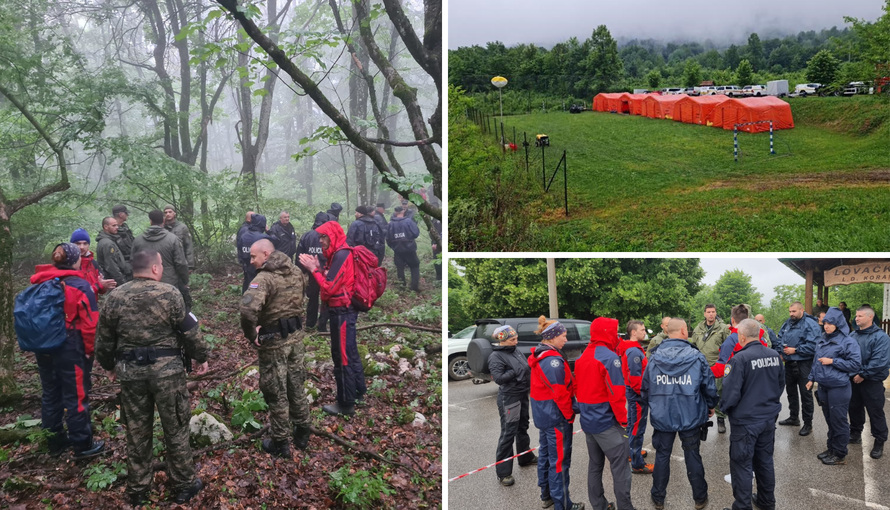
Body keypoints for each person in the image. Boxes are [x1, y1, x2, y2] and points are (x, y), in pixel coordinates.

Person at [95, 250, 209, 505]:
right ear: (156, 268)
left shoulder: (114, 297)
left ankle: (138, 490)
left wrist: (109, 365)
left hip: (131, 374)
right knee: (176, 427)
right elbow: (190, 331)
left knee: (137, 431)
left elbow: (103, 339)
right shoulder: (170, 294)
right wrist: (201, 356)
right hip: (167, 374)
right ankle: (184, 485)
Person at [31, 243, 104, 460]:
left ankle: (55, 441)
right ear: (74, 260)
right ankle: (83, 444)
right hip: (70, 346)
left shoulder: (40, 282)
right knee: (76, 395)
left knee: (51, 393)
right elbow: (90, 324)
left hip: (43, 346)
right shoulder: (79, 286)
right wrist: (90, 351)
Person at [240, 239, 312, 457]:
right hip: (296, 338)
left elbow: (247, 311)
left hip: (274, 342)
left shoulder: (263, 279)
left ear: (265, 253)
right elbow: (302, 291)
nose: (251, 261)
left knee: (276, 391)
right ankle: (302, 430)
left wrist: (251, 334)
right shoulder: (296, 271)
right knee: (296, 383)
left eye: (253, 256)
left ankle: (281, 443)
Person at [642, 318, 717, 510]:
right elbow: (708, 386)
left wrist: (654, 405)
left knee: (662, 455)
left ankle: (658, 498)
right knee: (692, 455)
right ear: (684, 331)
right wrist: (711, 405)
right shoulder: (696, 356)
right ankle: (700, 498)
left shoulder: (654, 357)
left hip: (663, 415)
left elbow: (645, 388)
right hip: (690, 415)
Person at [298, 221, 365, 417]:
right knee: (350, 352)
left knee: (342, 355)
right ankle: (358, 392)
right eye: (319, 238)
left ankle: (346, 404)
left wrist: (314, 270)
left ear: (333, 235)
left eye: (324, 237)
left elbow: (327, 288)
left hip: (342, 313)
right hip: (342, 311)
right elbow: (335, 282)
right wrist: (320, 268)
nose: (321, 241)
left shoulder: (342, 254)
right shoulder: (338, 254)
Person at [719, 319, 784, 510]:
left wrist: (724, 409)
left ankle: (742, 507)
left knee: (742, 465)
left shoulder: (739, 359)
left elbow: (730, 393)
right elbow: (780, 385)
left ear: (741, 337)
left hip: (746, 422)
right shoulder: (774, 355)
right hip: (767, 419)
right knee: (764, 462)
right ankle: (766, 501)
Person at [575, 317, 633, 510]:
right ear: (607, 333)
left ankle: (599, 505)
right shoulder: (609, 358)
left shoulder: (583, 356)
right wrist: (624, 422)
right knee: (621, 469)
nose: (617, 336)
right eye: (615, 332)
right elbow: (616, 394)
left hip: (588, 421)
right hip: (606, 423)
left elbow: (578, 388)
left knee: (595, 466)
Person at [528, 317, 584, 510]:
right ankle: (564, 504)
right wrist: (570, 414)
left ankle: (547, 495)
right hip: (555, 416)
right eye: (563, 335)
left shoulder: (541, 355)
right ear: (551, 338)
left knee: (545, 455)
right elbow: (560, 393)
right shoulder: (553, 360)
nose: (565, 340)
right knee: (559, 461)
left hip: (544, 414)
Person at [807, 307, 862, 465]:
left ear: (838, 323)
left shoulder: (848, 341)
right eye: (825, 323)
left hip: (839, 387)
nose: (827, 326)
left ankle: (840, 454)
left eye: (830, 323)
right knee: (830, 421)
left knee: (839, 421)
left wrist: (833, 361)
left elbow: (855, 364)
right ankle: (831, 448)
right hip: (823, 387)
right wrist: (811, 378)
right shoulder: (822, 339)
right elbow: (815, 362)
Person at [488, 325, 536, 486]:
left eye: (516, 338)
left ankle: (525, 457)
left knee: (523, 426)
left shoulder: (514, 350)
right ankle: (503, 472)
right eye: (512, 339)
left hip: (522, 393)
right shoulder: (496, 356)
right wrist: (515, 371)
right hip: (509, 397)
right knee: (509, 432)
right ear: (502, 340)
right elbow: (499, 379)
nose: (516, 341)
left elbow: (524, 366)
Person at [848, 305, 889, 459]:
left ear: (870, 317)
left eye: (859, 316)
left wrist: (863, 374)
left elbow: (879, 361)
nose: (856, 318)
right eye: (856, 316)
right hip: (854, 379)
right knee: (854, 408)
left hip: (872, 381)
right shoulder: (852, 336)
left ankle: (879, 440)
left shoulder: (881, 337)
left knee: (875, 412)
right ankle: (855, 434)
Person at [133, 210, 192, 310]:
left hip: (144, 285)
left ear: (150, 221)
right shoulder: (173, 239)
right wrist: (185, 280)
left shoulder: (138, 240)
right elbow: (181, 263)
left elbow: (133, 262)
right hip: (169, 283)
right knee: (170, 310)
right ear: (163, 221)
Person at [777, 301, 820, 436]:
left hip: (804, 364)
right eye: (790, 311)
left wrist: (795, 350)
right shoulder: (787, 323)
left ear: (801, 310)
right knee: (791, 392)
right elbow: (779, 339)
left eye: (794, 311)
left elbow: (814, 346)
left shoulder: (810, 324)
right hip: (789, 363)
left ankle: (808, 423)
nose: (791, 314)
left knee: (806, 394)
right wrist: (782, 353)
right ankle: (793, 417)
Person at [619, 320, 652, 474]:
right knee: (637, 428)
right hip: (637, 395)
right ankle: (637, 463)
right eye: (642, 329)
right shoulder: (633, 352)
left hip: (635, 394)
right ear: (633, 332)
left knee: (633, 425)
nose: (644, 332)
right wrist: (644, 394)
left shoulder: (634, 349)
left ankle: (632, 452)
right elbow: (635, 378)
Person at [691, 304, 731, 433]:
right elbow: (693, 345)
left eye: (713, 312)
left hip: (717, 365)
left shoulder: (723, 328)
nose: (711, 314)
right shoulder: (698, 328)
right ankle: (701, 418)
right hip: (701, 366)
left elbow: (729, 346)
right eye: (708, 312)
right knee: (700, 392)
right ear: (704, 314)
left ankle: (720, 419)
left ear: (716, 313)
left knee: (718, 392)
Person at [296, 212, 329, 332]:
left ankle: (310, 324)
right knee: (326, 299)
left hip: (311, 273)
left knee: (313, 298)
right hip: (326, 273)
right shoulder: (328, 236)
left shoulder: (307, 236)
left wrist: (301, 271)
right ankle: (322, 325)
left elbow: (300, 255)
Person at [70, 228, 116, 295]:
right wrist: (98, 285)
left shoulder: (93, 263)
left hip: (92, 304)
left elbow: (100, 291)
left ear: (88, 245)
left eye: (85, 243)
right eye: (78, 244)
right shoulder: (67, 264)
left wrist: (104, 286)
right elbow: (75, 294)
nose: (82, 247)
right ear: (71, 245)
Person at [386, 206, 421, 292]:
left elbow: (388, 238)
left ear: (395, 213)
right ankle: (414, 286)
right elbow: (416, 233)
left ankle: (402, 287)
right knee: (414, 266)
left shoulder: (390, 224)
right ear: (403, 211)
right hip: (410, 249)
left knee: (400, 267)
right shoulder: (408, 221)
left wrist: (394, 246)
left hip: (397, 250)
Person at [238, 213, 273, 294]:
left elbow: (240, 249)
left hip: (247, 266)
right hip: (260, 268)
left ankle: (246, 300)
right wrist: (269, 231)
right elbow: (277, 241)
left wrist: (243, 261)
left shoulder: (244, 235)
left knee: (248, 284)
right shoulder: (263, 237)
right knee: (258, 287)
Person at [96, 217, 132, 286]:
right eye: (114, 225)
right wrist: (123, 284)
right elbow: (112, 267)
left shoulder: (110, 240)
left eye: (117, 225)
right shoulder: (107, 243)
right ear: (106, 227)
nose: (117, 227)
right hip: (113, 282)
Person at [163, 205, 195, 270]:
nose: (168, 214)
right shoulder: (161, 227)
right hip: (165, 262)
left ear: (174, 213)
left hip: (180, 261)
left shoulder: (182, 227)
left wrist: (190, 265)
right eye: (166, 212)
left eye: (170, 212)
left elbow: (188, 246)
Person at [432, 216, 442, 281]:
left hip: (438, 241)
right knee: (436, 259)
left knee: (438, 258)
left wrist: (435, 242)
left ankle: (440, 277)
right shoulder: (433, 220)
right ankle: (439, 277)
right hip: (436, 241)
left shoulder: (439, 218)